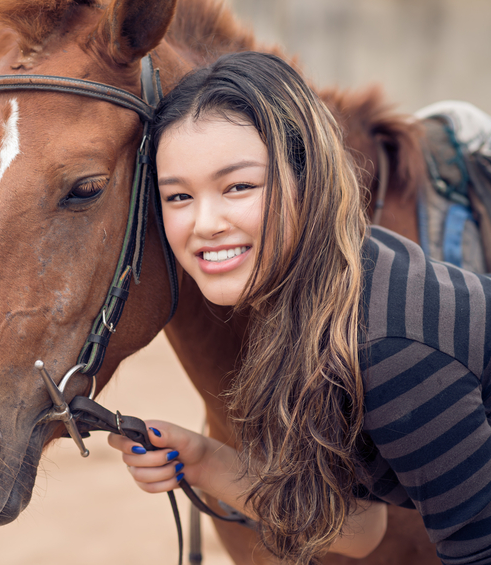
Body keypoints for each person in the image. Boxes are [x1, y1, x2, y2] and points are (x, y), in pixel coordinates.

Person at [107, 51, 491, 565]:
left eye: (238, 186)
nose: (205, 223)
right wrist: (202, 460)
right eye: (177, 197)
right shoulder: (328, 288)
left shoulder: (389, 349)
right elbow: (360, 528)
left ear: (307, 178)